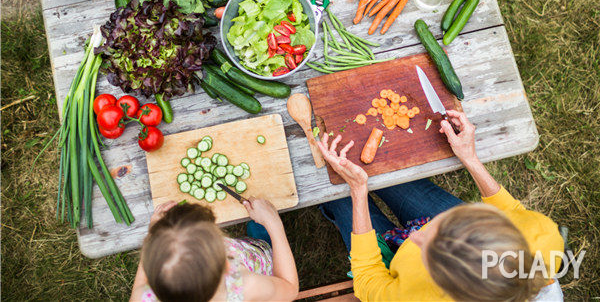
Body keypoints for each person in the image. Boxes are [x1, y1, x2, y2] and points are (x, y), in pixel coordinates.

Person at [317, 110, 565, 301]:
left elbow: (368, 279)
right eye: (445, 224)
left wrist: (357, 191)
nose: (415, 236)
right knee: (388, 173)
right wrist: (470, 157)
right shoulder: (543, 237)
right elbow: (513, 212)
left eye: (429, 257)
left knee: (337, 195)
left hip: (389, 265)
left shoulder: (419, 298)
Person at [130, 197, 299, 302]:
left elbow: (139, 285)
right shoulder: (248, 286)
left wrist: (155, 232)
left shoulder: (143, 298)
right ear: (227, 264)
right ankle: (265, 241)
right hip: (257, 264)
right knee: (263, 248)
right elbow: (290, 289)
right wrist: (273, 224)